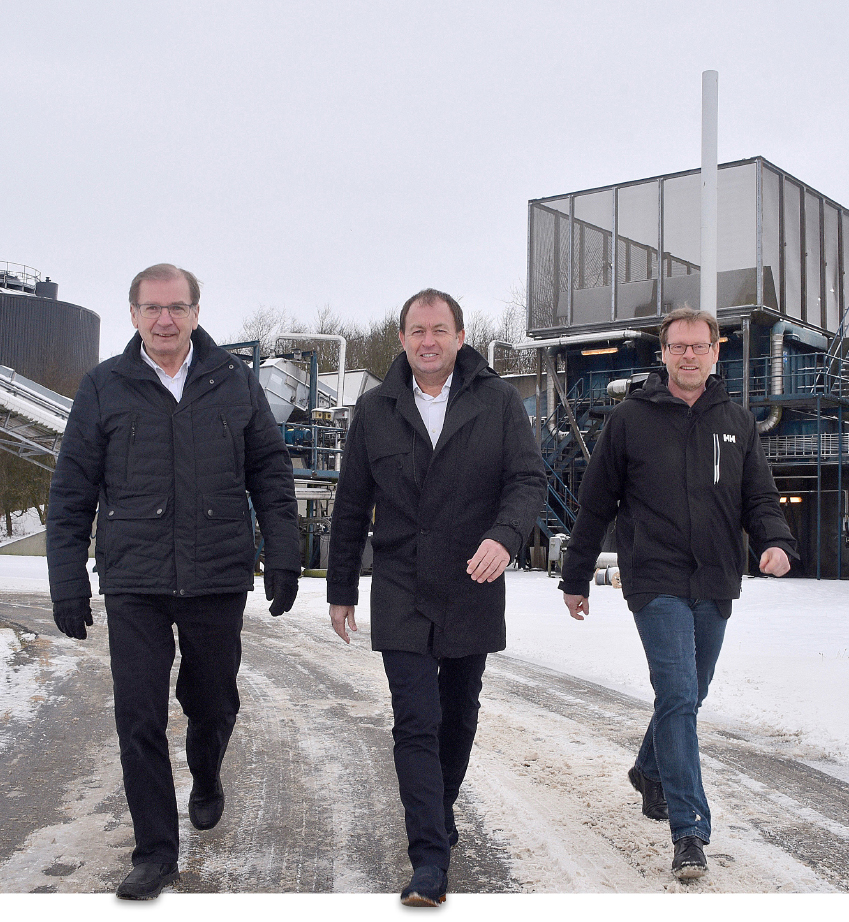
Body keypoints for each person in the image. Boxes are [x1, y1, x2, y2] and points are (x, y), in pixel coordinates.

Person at [46, 263, 301, 900]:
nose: (165, 320)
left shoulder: (234, 383)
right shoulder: (104, 387)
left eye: (177, 308)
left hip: (216, 574)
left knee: (213, 703)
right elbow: (72, 491)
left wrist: (284, 555)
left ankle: (207, 773)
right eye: (153, 308)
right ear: (134, 315)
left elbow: (270, 474)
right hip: (135, 578)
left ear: (195, 313)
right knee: (139, 715)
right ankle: (155, 853)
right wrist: (67, 581)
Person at [558, 306, 797, 881]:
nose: (688, 355)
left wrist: (776, 541)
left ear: (715, 352)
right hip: (655, 578)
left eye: (699, 346)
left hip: (715, 577)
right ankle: (689, 830)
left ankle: (649, 770)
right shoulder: (630, 420)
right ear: (663, 354)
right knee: (678, 689)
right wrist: (576, 576)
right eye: (678, 346)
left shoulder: (736, 422)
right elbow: (596, 505)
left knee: (691, 693)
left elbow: (759, 498)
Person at [326, 288, 546, 907]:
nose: (428, 341)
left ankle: (438, 810)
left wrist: (505, 536)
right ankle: (428, 858)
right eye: (417, 331)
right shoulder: (376, 409)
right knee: (415, 720)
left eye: (439, 330)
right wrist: (341, 588)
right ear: (402, 339)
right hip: (401, 581)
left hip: (473, 576)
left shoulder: (498, 402)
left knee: (458, 714)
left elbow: (527, 480)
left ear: (459, 337)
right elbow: (351, 504)